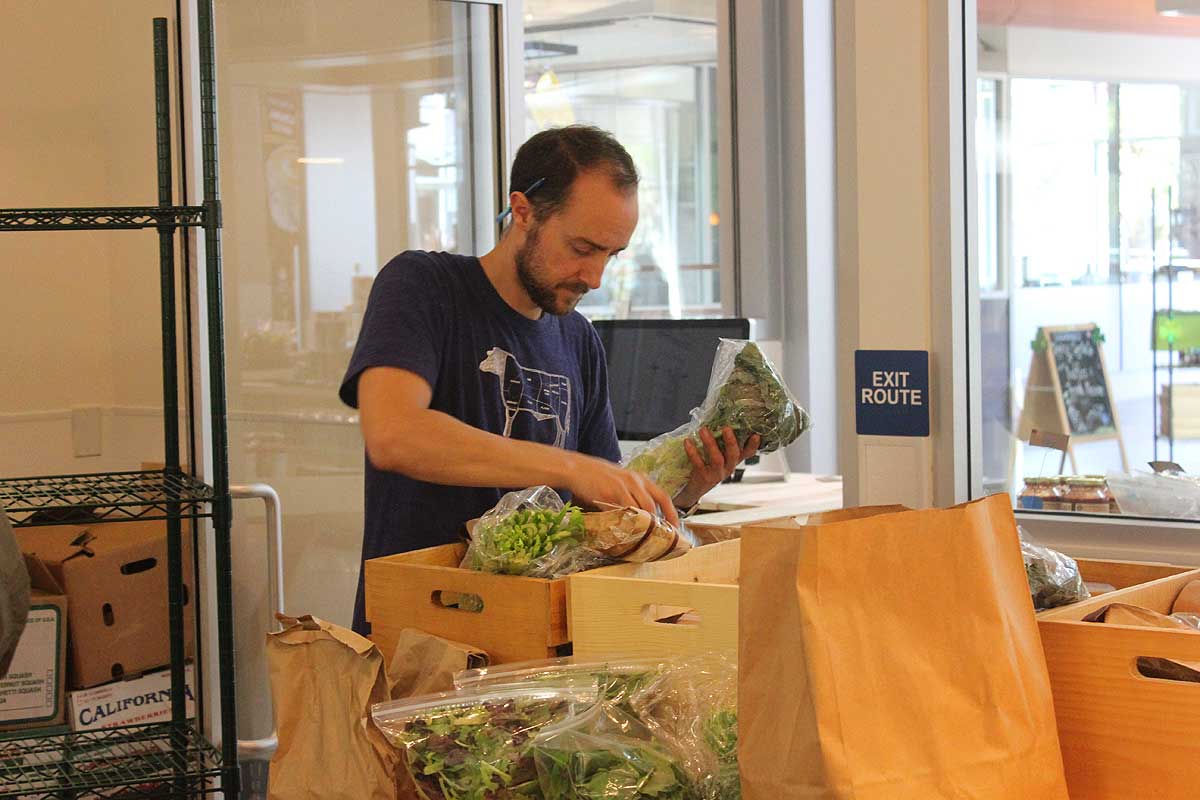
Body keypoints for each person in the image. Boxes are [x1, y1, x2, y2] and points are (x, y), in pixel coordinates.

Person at [339, 125, 759, 635]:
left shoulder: (579, 340)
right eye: (582, 247)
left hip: (535, 645)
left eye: (611, 254)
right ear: (523, 211)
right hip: (420, 642)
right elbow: (395, 434)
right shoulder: (423, 286)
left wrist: (681, 490)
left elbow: (599, 521)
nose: (595, 276)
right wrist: (569, 468)